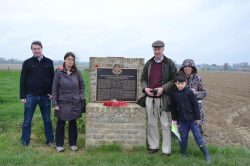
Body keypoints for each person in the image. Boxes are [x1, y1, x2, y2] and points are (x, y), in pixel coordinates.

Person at [140, 40, 177, 155]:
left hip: (163, 98)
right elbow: (143, 79)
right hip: (150, 97)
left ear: (163, 49)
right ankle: (153, 146)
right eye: (155, 49)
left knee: (165, 124)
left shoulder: (169, 63)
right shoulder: (149, 63)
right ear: (153, 50)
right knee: (151, 123)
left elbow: (174, 79)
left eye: (159, 49)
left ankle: (166, 150)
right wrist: (145, 88)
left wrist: (163, 88)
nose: (157, 51)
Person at [20, 41, 54, 146]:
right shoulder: (27, 63)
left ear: (41, 49)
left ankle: (50, 141)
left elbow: (53, 79)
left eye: (38, 48)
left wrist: (52, 93)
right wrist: (22, 96)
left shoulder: (49, 62)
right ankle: (25, 142)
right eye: (34, 49)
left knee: (47, 120)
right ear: (32, 50)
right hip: (30, 96)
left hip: (45, 97)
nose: (36, 51)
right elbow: (22, 80)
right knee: (27, 121)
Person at [171, 72, 211, 164]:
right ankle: (183, 154)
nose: (180, 85)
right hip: (182, 121)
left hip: (193, 120)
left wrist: (197, 118)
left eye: (182, 83)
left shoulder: (190, 92)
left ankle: (206, 155)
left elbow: (196, 105)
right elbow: (173, 108)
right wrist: (175, 120)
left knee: (198, 137)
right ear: (175, 83)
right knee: (183, 138)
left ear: (185, 83)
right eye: (178, 83)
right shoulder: (174, 94)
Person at [52, 52, 85, 152]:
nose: (70, 61)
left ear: (74, 61)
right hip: (62, 102)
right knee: (60, 123)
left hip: (75, 102)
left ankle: (73, 144)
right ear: (65, 60)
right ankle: (59, 145)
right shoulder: (59, 73)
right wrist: (55, 103)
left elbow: (82, 85)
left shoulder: (77, 73)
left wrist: (81, 96)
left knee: (73, 123)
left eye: (72, 59)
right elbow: (54, 89)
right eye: (68, 59)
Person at [179, 59, 207, 135]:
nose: (187, 68)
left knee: (198, 131)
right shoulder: (179, 78)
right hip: (183, 109)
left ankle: (200, 145)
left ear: (193, 68)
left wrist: (196, 93)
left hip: (196, 109)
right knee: (182, 131)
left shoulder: (198, 78)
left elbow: (204, 93)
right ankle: (182, 145)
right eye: (185, 67)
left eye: (189, 67)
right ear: (182, 68)